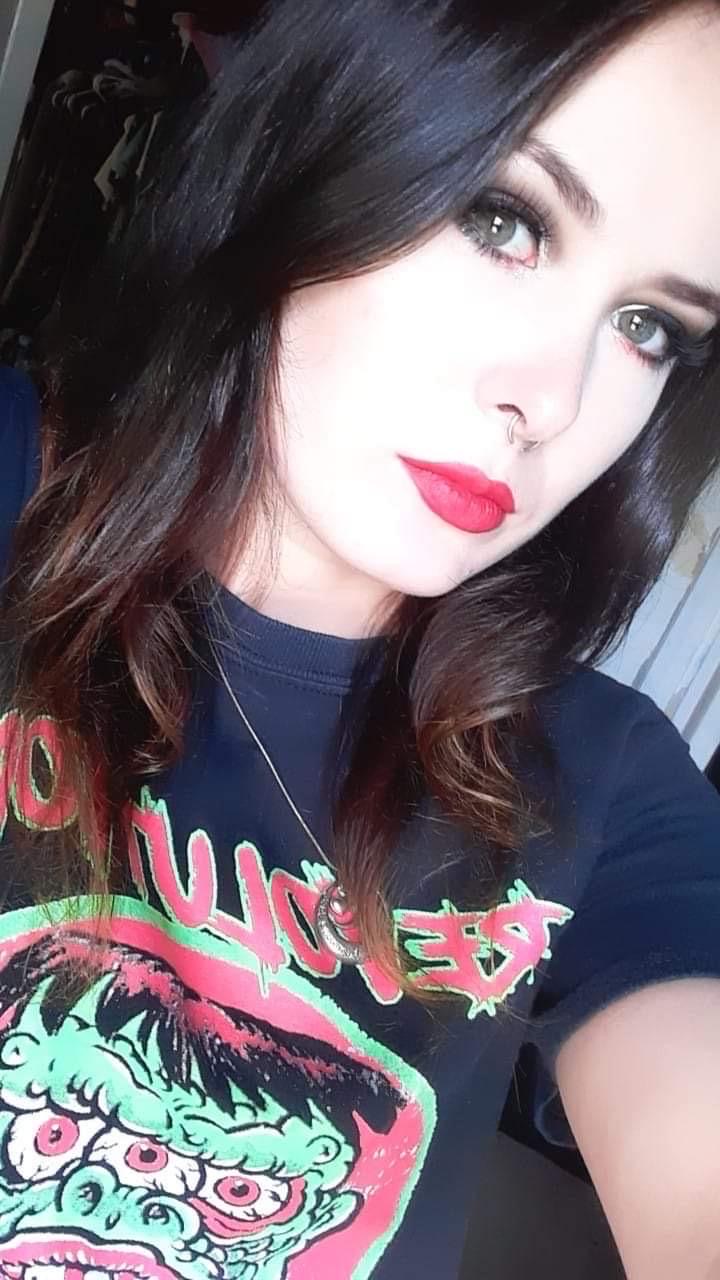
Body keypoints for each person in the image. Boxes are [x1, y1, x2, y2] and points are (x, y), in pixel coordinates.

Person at [1, 2, 720, 1277]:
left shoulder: (605, 782)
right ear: (315, 141)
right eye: (504, 220)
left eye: (646, 324)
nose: (553, 402)